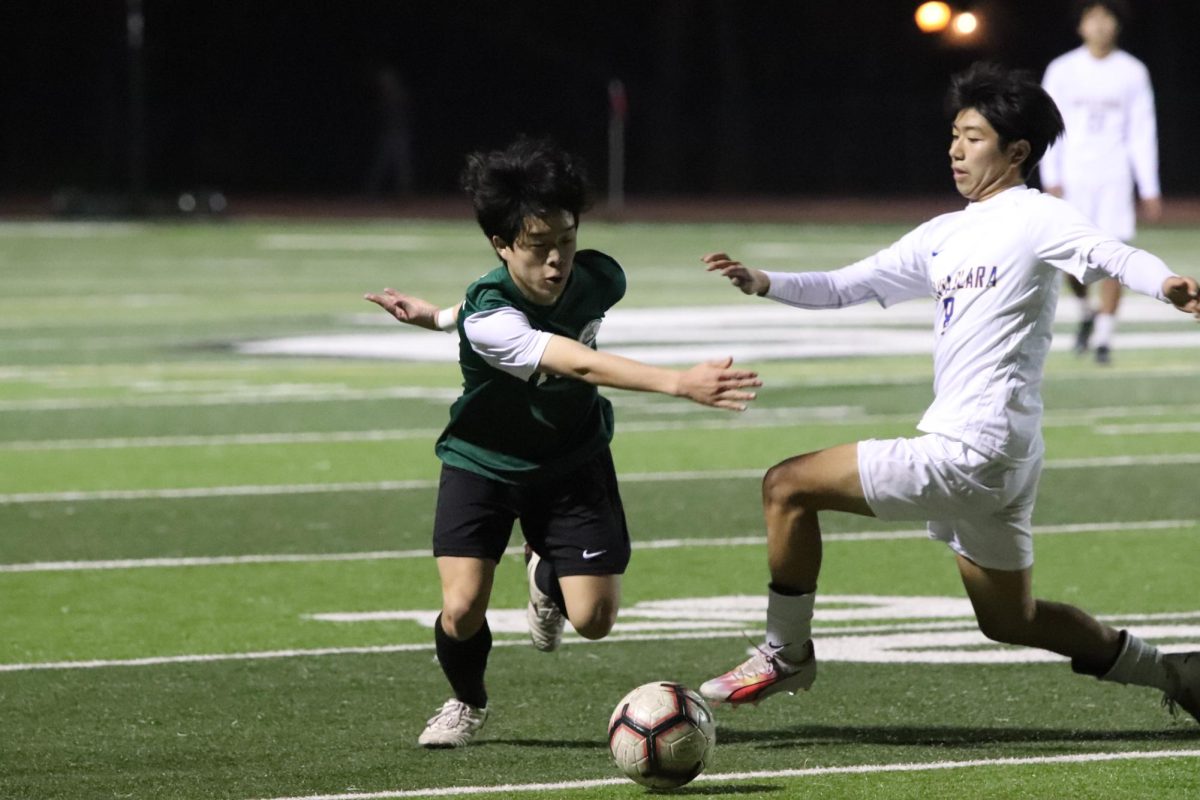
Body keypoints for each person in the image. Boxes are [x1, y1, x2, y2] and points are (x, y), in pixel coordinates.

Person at [698, 63, 1199, 725]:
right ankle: (1177, 672)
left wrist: (1165, 284)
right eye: (955, 135)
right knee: (1010, 619)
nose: (955, 149)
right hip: (1004, 455)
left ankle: (785, 653)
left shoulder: (1038, 216)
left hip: (974, 445)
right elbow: (848, 285)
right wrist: (766, 281)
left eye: (972, 136)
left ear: (1016, 151)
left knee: (786, 486)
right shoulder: (944, 234)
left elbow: (1112, 253)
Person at [365, 137, 762, 748]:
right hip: (484, 463)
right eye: (537, 248)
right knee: (464, 606)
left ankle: (545, 570)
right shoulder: (490, 315)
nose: (556, 262)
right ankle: (466, 701)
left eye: (566, 241)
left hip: (572, 458)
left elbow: (494, 309)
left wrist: (435, 317)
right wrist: (680, 382)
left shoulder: (601, 276)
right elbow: (572, 361)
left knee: (595, 621)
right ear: (501, 246)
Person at [1040, 0, 1163, 364]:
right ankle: (1085, 312)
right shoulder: (1062, 69)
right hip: (1075, 175)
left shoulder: (1132, 71)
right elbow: (1049, 124)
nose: (1099, 25)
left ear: (1116, 26)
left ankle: (1105, 338)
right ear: (1081, 26)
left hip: (1114, 176)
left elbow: (1143, 130)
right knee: (1068, 256)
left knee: (1116, 255)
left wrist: (1149, 186)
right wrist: (1052, 174)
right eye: (1092, 19)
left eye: (1106, 19)